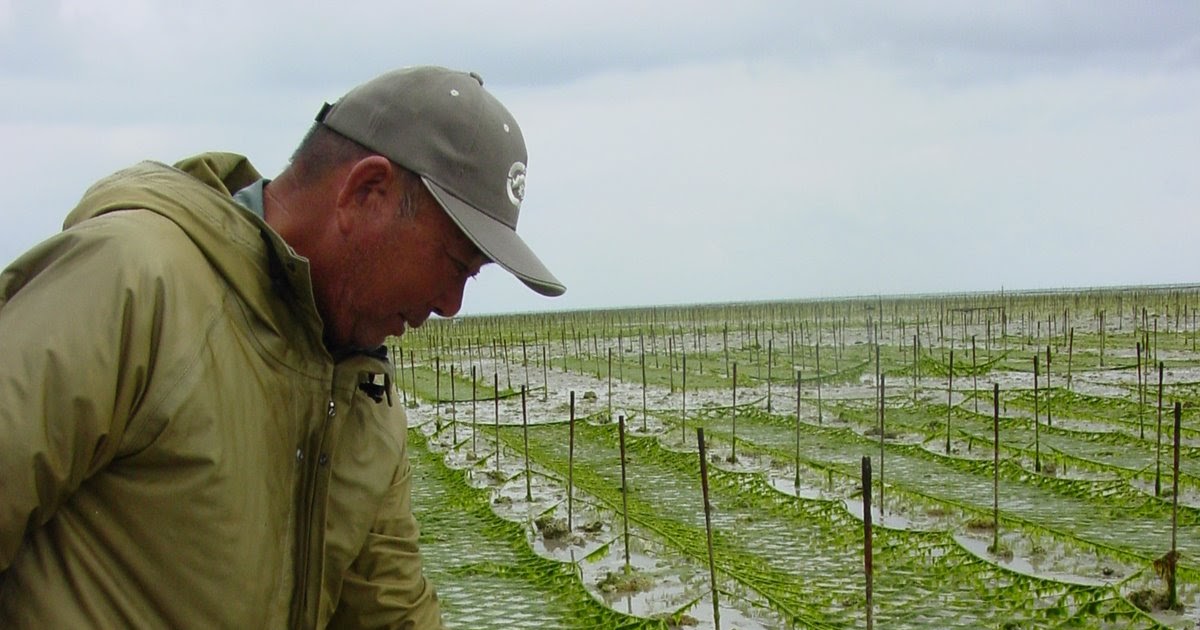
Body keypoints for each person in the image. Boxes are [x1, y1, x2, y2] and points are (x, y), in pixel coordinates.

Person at [0, 66, 564, 628]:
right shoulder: (134, 282)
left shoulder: (363, 393)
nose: (451, 303)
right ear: (366, 192)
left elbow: (390, 613)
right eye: (455, 264)